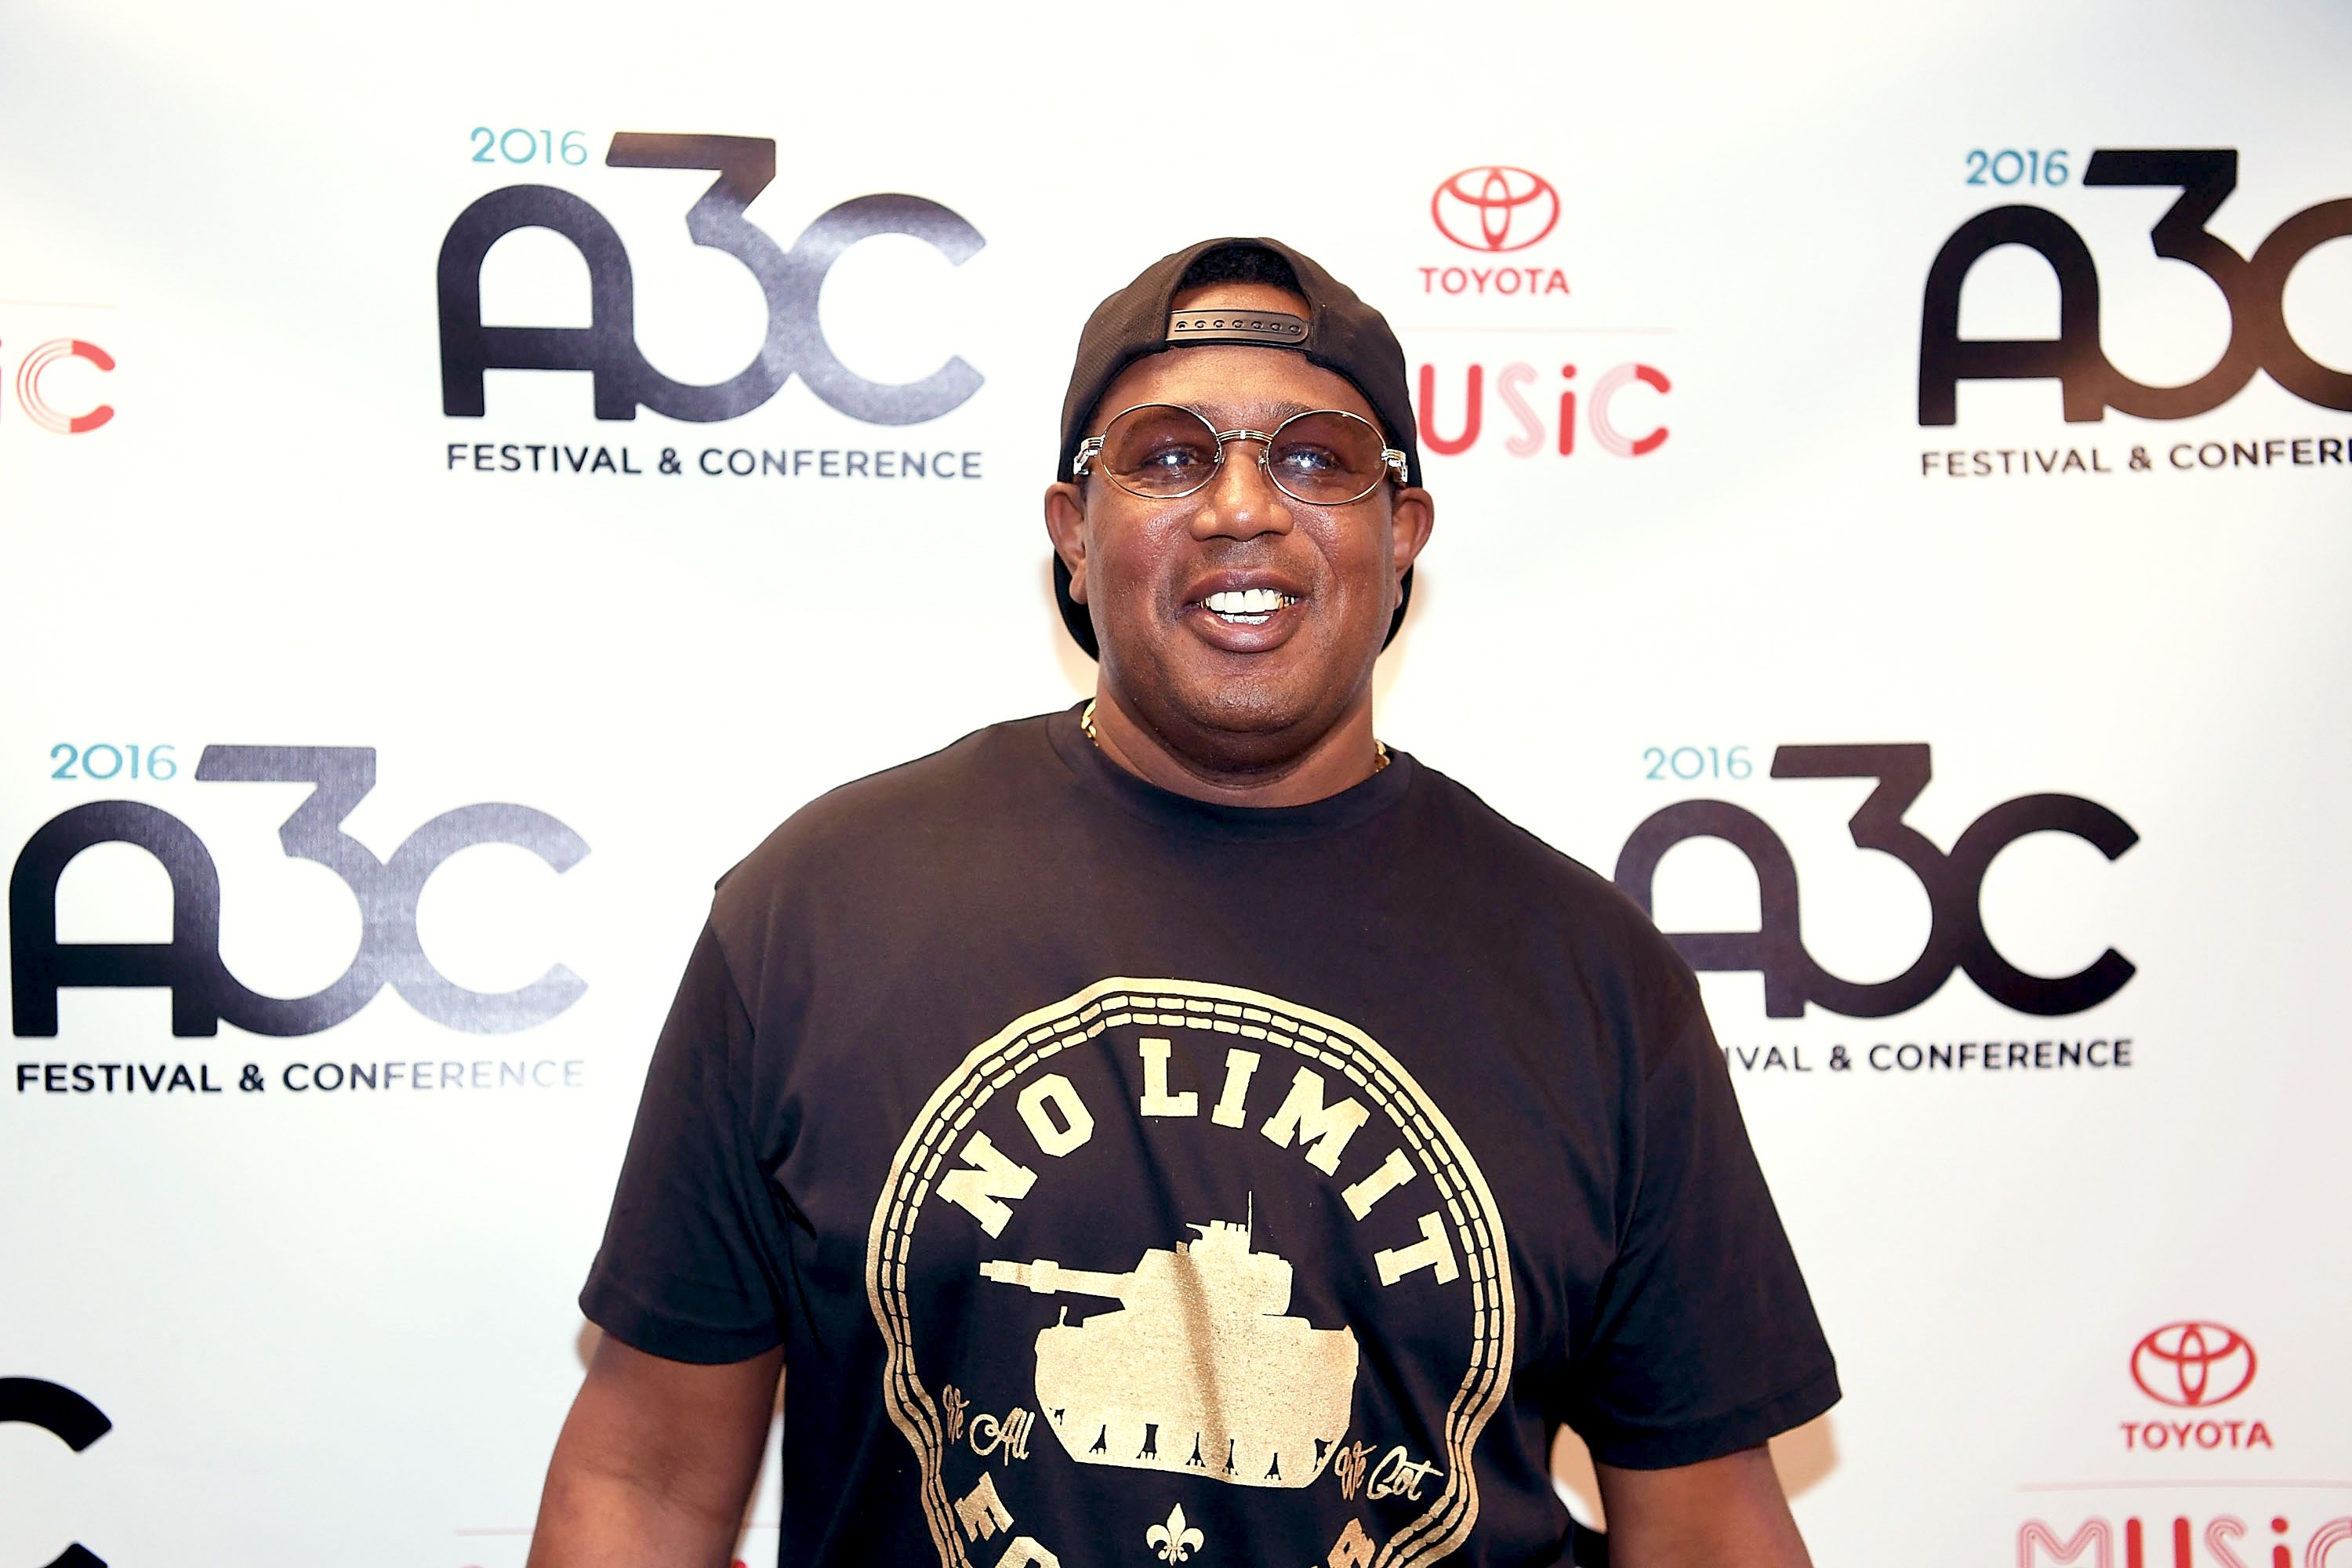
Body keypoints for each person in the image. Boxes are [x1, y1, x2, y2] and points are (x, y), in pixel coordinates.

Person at [525, 238, 1838, 1568]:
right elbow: (644, 1481)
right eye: (1165, 457)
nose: (1241, 508)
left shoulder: (1591, 976)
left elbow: (1706, 1527)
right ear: (1072, 532)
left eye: (1317, 459)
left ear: (1403, 535)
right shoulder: (821, 911)